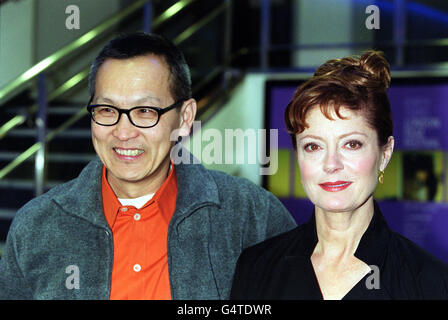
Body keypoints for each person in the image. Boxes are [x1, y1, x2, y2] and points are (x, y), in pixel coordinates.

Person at [0, 32, 296, 300]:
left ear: (185, 117)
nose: (124, 131)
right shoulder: (36, 228)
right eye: (107, 110)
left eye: (145, 111)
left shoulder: (251, 217)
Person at [230, 51, 448, 300]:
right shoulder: (256, 267)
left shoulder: (431, 285)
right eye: (313, 146)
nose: (331, 164)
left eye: (351, 144)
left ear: (385, 153)